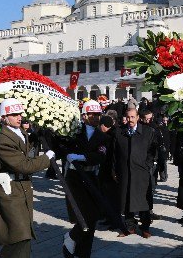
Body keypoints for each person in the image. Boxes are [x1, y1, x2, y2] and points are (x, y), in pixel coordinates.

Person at [0, 98, 55, 258]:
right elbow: (23, 165)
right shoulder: (2, 140)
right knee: (20, 235)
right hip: (10, 190)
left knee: (22, 234)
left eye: (20, 113)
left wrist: (38, 134)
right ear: (4, 117)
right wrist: (46, 159)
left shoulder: (20, 133)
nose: (19, 117)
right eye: (14, 114)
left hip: (23, 187)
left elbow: (25, 146)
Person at [61, 100, 110, 258]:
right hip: (75, 178)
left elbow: (100, 157)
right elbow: (62, 146)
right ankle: (73, 239)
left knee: (93, 217)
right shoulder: (74, 132)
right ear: (84, 116)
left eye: (98, 114)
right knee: (84, 215)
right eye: (93, 115)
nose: (96, 117)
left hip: (91, 176)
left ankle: (81, 249)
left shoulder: (102, 136)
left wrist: (81, 156)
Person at [112, 106, 157, 238]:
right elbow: (114, 154)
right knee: (127, 200)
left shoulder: (148, 131)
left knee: (143, 200)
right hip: (125, 172)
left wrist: (147, 164)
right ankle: (130, 226)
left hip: (141, 172)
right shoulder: (120, 132)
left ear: (137, 117)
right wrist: (114, 170)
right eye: (128, 117)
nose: (130, 120)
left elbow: (152, 151)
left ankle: (145, 227)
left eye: (133, 117)